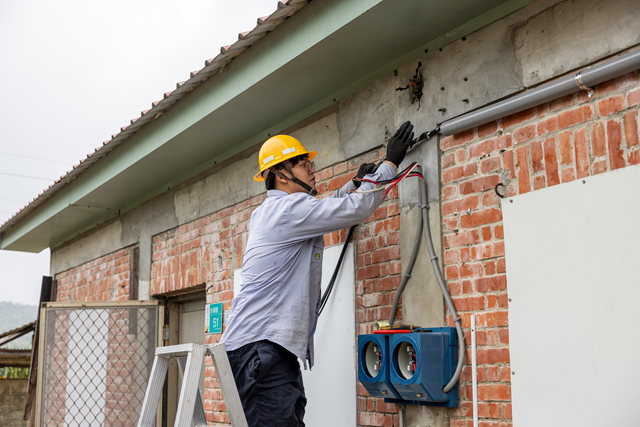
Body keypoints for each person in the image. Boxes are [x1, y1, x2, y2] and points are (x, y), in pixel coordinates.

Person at [221, 121, 415, 426]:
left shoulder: (273, 211)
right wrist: (390, 163)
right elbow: (355, 209)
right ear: (280, 174)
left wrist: (354, 183)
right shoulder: (287, 210)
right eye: (302, 163)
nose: (312, 169)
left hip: (261, 350)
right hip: (262, 350)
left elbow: (325, 208)